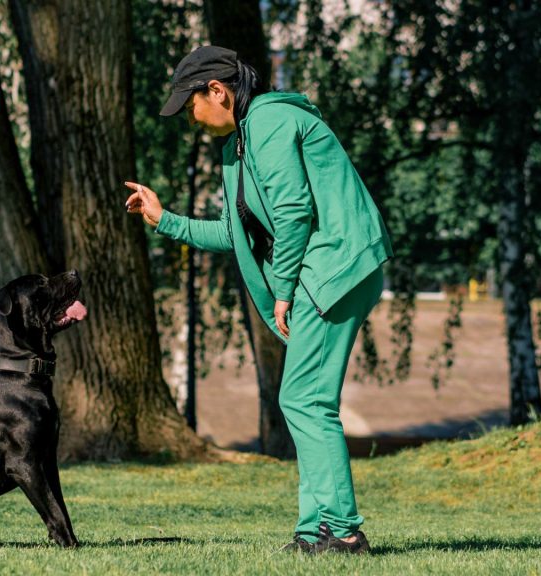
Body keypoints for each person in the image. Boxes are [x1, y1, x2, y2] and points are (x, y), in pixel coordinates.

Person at [124, 46, 393, 555]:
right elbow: (238, 232)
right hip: (330, 266)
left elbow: (293, 213)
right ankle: (315, 529)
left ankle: (343, 529)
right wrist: (165, 220)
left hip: (334, 264)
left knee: (304, 399)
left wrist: (285, 290)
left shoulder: (270, 121)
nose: (190, 117)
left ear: (218, 92)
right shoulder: (240, 146)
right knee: (304, 400)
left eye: (191, 105)